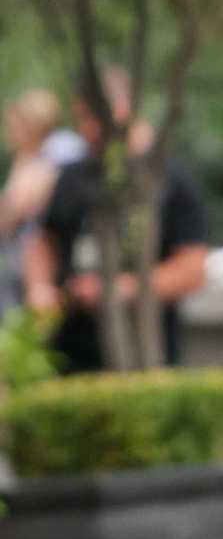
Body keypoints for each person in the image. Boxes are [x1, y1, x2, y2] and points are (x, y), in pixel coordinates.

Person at [24, 68, 209, 373]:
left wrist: (120, 289)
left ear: (126, 109)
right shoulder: (73, 176)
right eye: (81, 118)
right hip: (70, 354)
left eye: (94, 116)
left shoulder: (168, 180)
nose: (88, 129)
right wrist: (40, 287)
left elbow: (193, 269)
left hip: (143, 353)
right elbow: (43, 242)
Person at [0, 90, 85, 313]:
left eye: (14, 125)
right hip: (23, 255)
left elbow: (16, 205)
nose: (9, 133)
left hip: (49, 256)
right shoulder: (29, 155)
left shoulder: (62, 147)